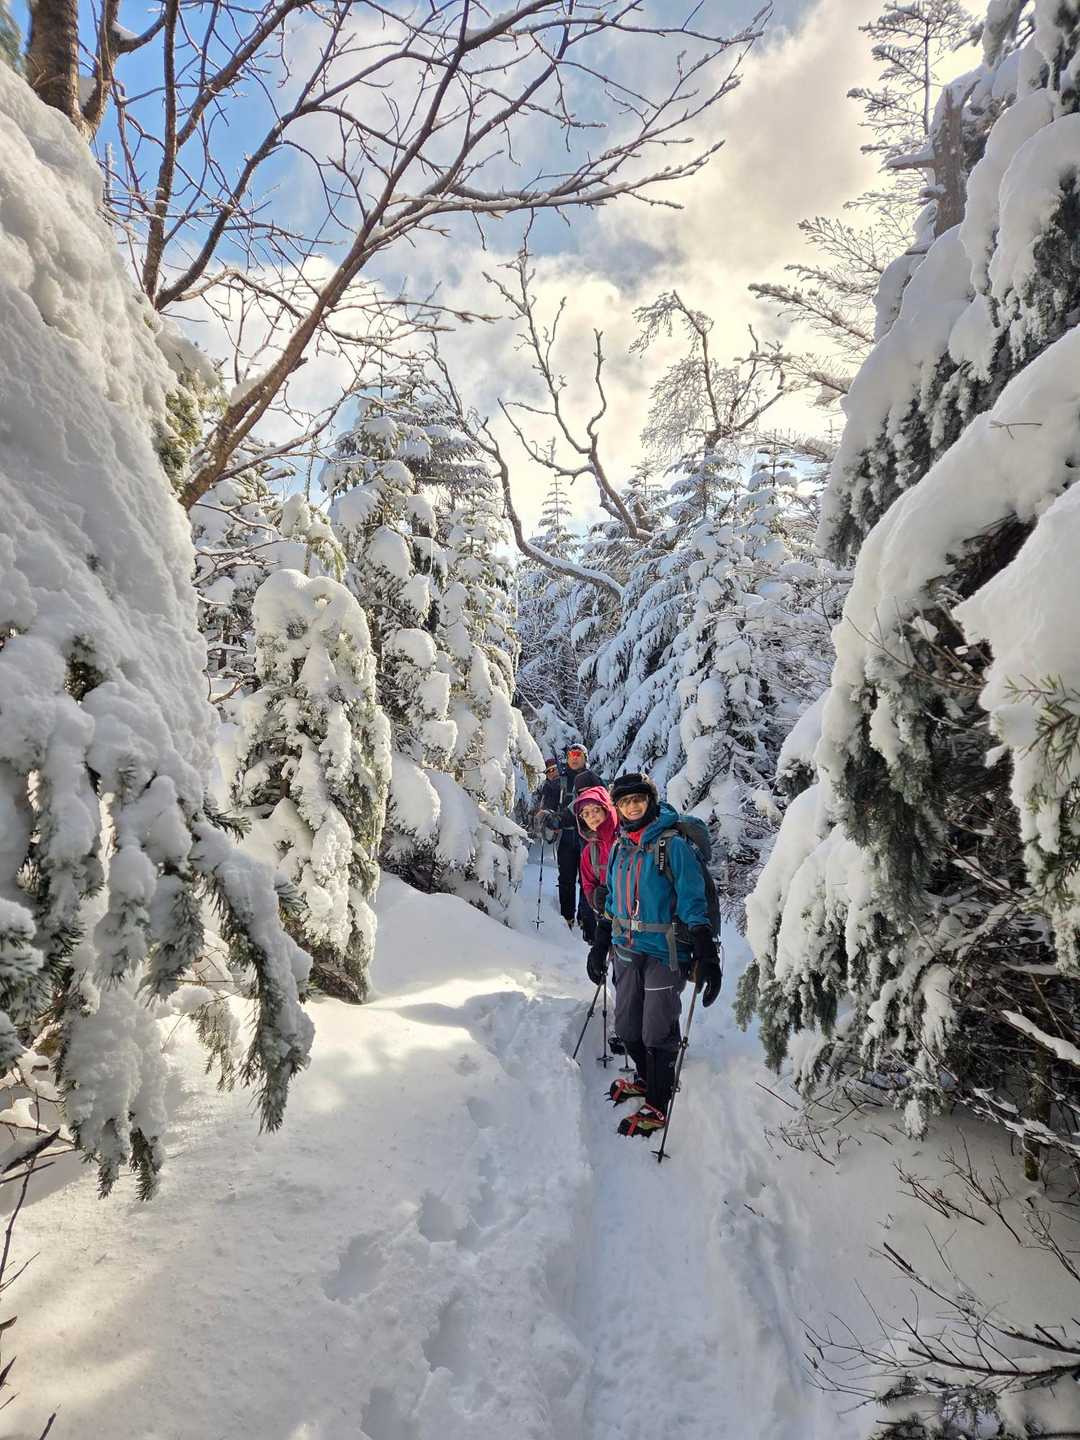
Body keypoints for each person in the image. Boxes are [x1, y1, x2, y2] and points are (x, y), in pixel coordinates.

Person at [586, 772, 723, 1138]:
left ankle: (658, 1102)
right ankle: (646, 1080)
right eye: (625, 802)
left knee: (656, 1031)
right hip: (626, 949)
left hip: (665, 951)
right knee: (628, 1028)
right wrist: (600, 943)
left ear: (649, 801)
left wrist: (706, 950)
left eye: (638, 800)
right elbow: (613, 901)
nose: (632, 807)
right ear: (617, 807)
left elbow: (693, 899)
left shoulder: (672, 846)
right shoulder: (620, 848)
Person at [556, 744, 603, 938]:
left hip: (588, 838)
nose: (574, 758)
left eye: (578, 754)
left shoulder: (594, 779)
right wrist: (549, 817)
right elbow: (550, 803)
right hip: (567, 836)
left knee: (587, 879)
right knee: (566, 878)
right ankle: (566, 917)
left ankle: (586, 918)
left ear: (585, 758)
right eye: (570, 755)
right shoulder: (560, 781)